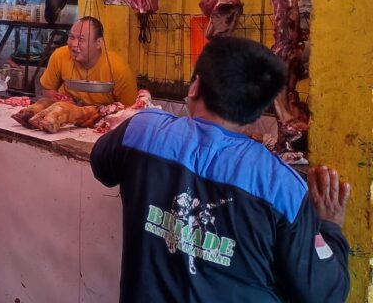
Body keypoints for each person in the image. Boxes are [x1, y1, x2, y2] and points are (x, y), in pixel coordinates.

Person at [90, 36, 350, 302]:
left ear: (195, 87)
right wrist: (329, 226)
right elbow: (325, 294)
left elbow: (102, 166)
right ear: (259, 110)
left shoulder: (141, 130)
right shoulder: (282, 185)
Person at [40, 16, 137, 106]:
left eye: (81, 39)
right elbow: (48, 88)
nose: (74, 44)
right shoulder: (60, 56)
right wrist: (63, 103)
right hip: (66, 113)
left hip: (104, 117)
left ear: (98, 43)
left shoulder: (119, 70)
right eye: (71, 37)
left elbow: (131, 109)